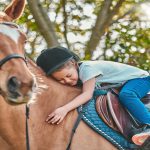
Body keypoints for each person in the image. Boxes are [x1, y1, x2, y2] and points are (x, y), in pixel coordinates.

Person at [36, 46, 150, 145]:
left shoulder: (87, 69)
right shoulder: (78, 74)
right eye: (61, 80)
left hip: (141, 79)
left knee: (127, 95)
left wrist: (64, 109)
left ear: (73, 63)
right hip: (122, 83)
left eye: (68, 75)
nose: (67, 81)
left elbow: (87, 95)